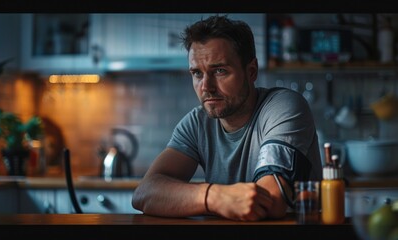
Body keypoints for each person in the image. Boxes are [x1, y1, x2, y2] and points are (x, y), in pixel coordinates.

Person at [132, 15, 322, 221]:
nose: (206, 87)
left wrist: (187, 198)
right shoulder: (197, 123)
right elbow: (145, 194)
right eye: (197, 73)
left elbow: (270, 202)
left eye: (220, 71)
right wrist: (214, 197)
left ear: (251, 71)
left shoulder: (283, 106)